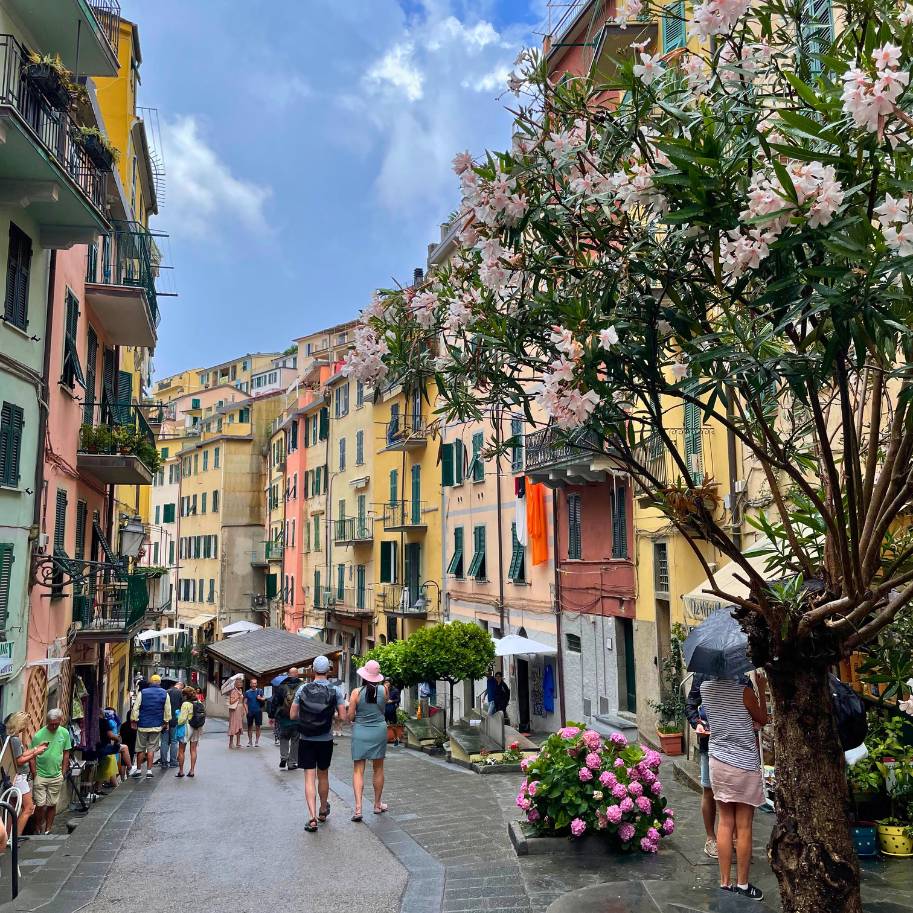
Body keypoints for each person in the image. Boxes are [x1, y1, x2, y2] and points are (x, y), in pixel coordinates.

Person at [701, 672, 769, 902]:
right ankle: (742, 884)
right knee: (744, 825)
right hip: (744, 764)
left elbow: (721, 719)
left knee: (725, 821)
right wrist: (761, 688)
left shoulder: (705, 689)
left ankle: (724, 882)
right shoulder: (745, 692)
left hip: (718, 761)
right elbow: (763, 719)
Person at [290, 656, 346, 833]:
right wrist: (330, 717)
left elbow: (292, 715)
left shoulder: (302, 689)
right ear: (328, 670)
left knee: (308, 777)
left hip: (306, 738)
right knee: (323, 775)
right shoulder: (335, 690)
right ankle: (323, 809)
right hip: (326, 739)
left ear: (313, 670)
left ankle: (312, 818)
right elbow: (343, 717)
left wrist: (307, 719)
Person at [349, 660, 389, 821]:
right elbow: (382, 707)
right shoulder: (384, 690)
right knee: (378, 768)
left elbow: (351, 716)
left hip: (360, 731)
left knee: (358, 770)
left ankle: (358, 809)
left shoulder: (356, 693)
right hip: (379, 730)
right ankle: (377, 804)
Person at [686, 673, 718, 858]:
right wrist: (697, 723)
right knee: (709, 790)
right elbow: (691, 705)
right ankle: (710, 837)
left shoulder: (740, 678)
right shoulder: (703, 675)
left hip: (734, 745)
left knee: (733, 795)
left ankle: (735, 837)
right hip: (709, 743)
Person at [5, 712, 49, 841]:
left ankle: (8, 837)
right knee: (28, 808)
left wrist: (37, 748)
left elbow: (21, 755)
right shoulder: (15, 740)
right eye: (25, 723)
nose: (27, 726)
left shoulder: (11, 738)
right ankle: (15, 837)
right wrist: (36, 753)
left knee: (13, 809)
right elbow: (19, 761)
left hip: (15, 777)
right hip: (19, 777)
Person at [29, 709, 72, 835]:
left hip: (56, 774)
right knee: (40, 804)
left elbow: (66, 753)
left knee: (52, 804)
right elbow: (32, 756)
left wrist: (63, 771)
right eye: (51, 724)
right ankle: (38, 827)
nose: (53, 726)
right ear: (47, 722)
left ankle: (48, 829)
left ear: (60, 722)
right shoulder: (39, 735)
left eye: (56, 724)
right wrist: (34, 774)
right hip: (41, 774)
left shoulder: (64, 733)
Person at [130, 673, 171, 779]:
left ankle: (139, 770)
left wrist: (133, 720)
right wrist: (166, 722)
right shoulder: (164, 693)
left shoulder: (143, 692)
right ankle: (149, 771)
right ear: (159, 683)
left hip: (143, 725)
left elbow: (136, 708)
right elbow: (167, 710)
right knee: (151, 749)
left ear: (150, 682)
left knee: (140, 749)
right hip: (156, 725)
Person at [271, 667, 301, 770]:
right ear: (297, 674)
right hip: (297, 718)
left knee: (283, 737)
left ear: (288, 674)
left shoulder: (281, 687)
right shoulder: (302, 686)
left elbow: (275, 702)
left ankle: (284, 757)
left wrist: (272, 715)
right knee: (295, 740)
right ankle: (292, 762)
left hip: (283, 718)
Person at [160, 680, 185, 769]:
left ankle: (163, 762)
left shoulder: (166, 692)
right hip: (175, 720)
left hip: (165, 720)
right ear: (181, 686)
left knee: (164, 742)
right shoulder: (180, 693)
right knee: (174, 741)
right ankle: (173, 762)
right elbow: (182, 707)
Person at [175, 687, 199, 777]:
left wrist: (178, 715)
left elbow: (181, 720)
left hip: (187, 727)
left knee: (181, 750)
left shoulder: (185, 704)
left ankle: (181, 771)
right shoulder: (198, 702)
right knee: (193, 749)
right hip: (196, 727)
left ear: (185, 695)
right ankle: (192, 771)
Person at [244, 677, 265, 747]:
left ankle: (256, 741)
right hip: (250, 711)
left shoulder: (260, 691)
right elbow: (245, 702)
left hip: (258, 711)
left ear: (256, 684)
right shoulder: (247, 692)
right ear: (250, 684)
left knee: (258, 727)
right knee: (249, 727)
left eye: (255, 683)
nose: (254, 685)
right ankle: (250, 741)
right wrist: (247, 711)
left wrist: (260, 698)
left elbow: (264, 699)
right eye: (253, 683)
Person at [227, 678, 245, 749]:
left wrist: (243, 709)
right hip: (235, 709)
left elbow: (242, 701)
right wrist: (238, 697)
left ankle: (238, 742)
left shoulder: (240, 690)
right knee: (233, 725)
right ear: (235, 684)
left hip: (240, 708)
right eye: (239, 683)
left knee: (239, 725)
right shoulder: (233, 691)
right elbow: (231, 701)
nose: (240, 684)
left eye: (241, 683)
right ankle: (230, 743)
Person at [383, 678, 401, 746]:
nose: (386, 683)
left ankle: (396, 738)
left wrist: (392, 701)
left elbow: (398, 699)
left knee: (393, 726)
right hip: (384, 709)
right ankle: (383, 739)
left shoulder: (395, 690)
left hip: (391, 709)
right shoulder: (383, 690)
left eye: (387, 682)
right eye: (385, 682)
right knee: (383, 725)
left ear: (390, 683)